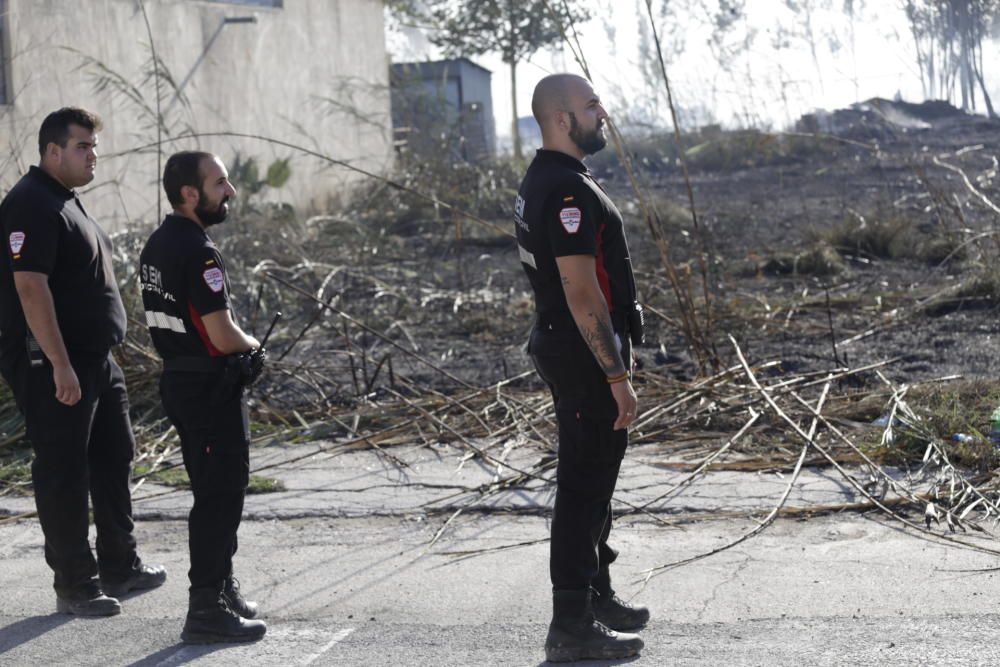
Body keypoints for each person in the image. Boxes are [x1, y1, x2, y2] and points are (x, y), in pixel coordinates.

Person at [0, 107, 166, 616]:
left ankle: (120, 563)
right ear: (53, 151)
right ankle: (75, 582)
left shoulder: (63, 201)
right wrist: (59, 364)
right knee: (64, 469)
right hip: (54, 363)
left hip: (95, 359)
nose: (93, 155)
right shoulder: (31, 203)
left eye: (94, 146)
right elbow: (30, 286)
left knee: (114, 456)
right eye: (82, 147)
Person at [514, 75, 650, 662]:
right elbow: (580, 292)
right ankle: (570, 621)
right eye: (591, 105)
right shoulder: (566, 190)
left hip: (578, 349)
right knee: (582, 485)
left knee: (596, 482)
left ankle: (595, 594)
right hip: (580, 353)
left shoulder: (553, 178)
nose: (603, 113)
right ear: (562, 120)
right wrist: (616, 376)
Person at [139, 151, 266, 644]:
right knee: (219, 497)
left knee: (213, 491)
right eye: (220, 183)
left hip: (181, 381)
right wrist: (255, 348)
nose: (229, 191)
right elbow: (219, 328)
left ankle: (222, 585)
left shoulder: (157, 243)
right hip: (209, 386)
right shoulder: (198, 249)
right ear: (189, 194)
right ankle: (206, 607)